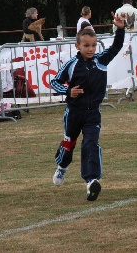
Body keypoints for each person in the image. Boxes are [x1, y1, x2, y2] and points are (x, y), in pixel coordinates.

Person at [50, 12, 125, 201]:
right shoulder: (71, 64)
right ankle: (62, 167)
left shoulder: (101, 60)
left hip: (93, 114)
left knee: (91, 144)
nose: (90, 49)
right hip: (74, 113)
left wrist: (120, 29)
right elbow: (55, 82)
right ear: (77, 46)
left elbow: (116, 46)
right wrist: (68, 92)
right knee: (69, 145)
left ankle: (91, 181)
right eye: (86, 46)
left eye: (93, 45)